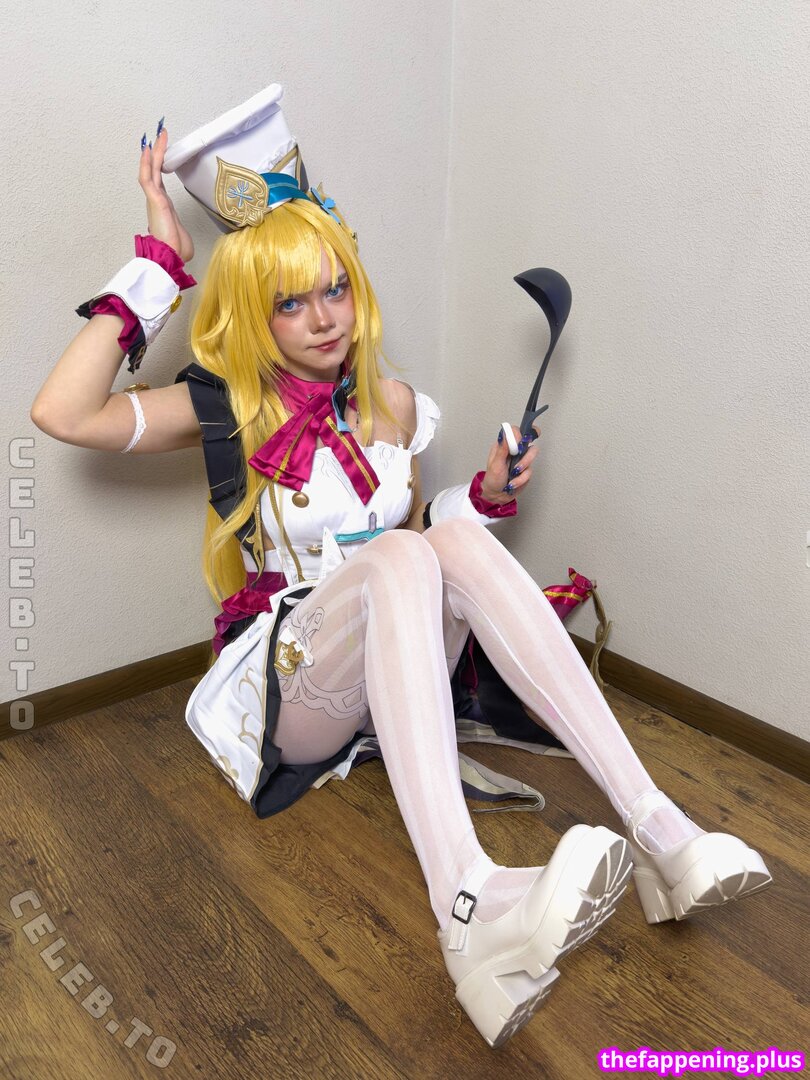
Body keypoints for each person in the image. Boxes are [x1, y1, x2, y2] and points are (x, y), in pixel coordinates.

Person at [30, 86, 773, 1049]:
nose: (323, 319)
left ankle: (662, 829)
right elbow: (63, 412)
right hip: (294, 689)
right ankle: (464, 896)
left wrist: (485, 495)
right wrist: (161, 261)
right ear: (253, 312)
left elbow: (422, 538)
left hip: (394, 664)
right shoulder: (223, 408)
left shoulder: (393, 404)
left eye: (334, 287)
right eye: (288, 302)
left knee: (440, 541)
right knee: (398, 555)